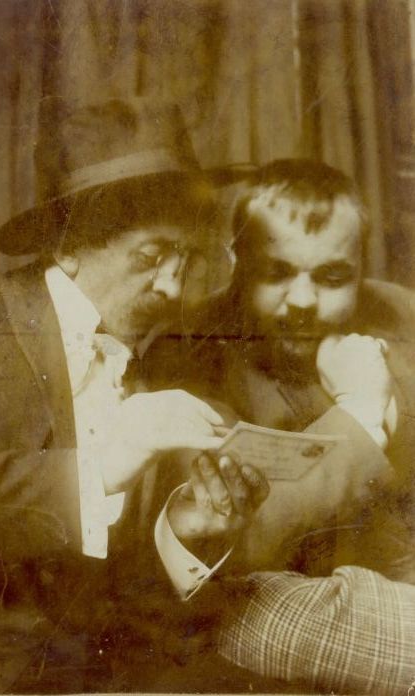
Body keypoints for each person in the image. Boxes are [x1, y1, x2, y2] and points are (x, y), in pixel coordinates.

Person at [0, 96, 265, 694]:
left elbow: (126, 611)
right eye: (151, 256)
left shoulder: (151, 372)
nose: (172, 287)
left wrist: (183, 531)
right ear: (69, 245)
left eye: (184, 260)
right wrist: (104, 463)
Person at [145, 159, 415, 693]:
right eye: (276, 273)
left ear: (361, 266)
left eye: (333, 277)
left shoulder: (400, 314)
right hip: (282, 618)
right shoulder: (188, 354)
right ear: (237, 264)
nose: (303, 302)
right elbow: (242, 537)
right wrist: (361, 410)